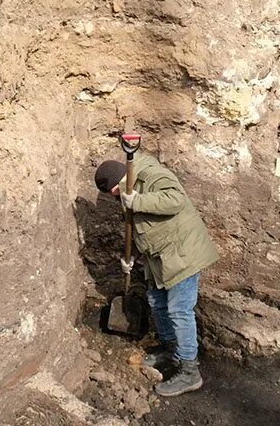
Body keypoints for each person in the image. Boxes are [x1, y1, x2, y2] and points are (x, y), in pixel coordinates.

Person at [94, 152, 219, 397]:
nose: (116, 198)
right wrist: (133, 259)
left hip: (183, 251)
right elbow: (141, 230)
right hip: (160, 256)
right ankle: (169, 347)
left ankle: (189, 370)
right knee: (156, 302)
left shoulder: (152, 175)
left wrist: (138, 200)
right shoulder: (127, 188)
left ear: (119, 182)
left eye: (116, 193)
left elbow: (175, 200)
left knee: (179, 309)